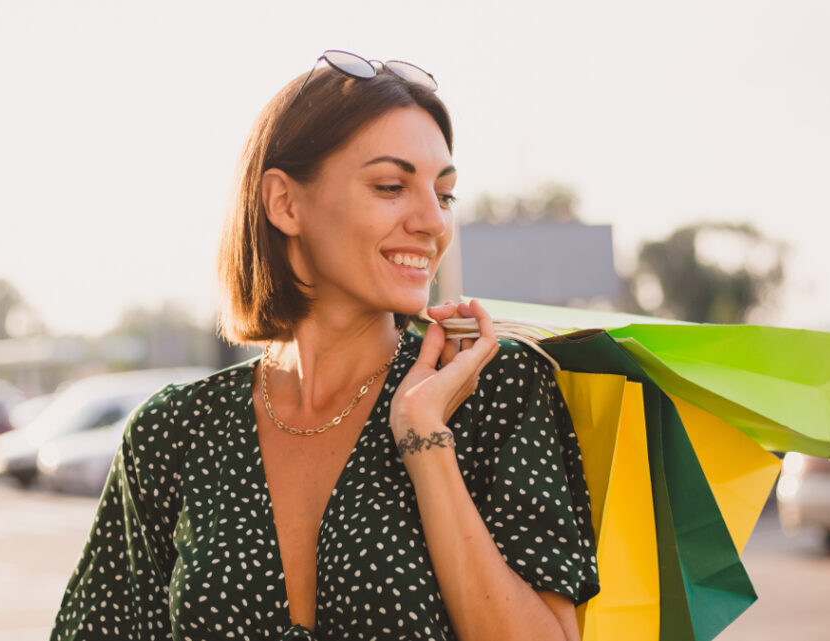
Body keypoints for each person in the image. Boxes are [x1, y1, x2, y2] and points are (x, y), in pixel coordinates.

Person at [51, 50, 598, 641]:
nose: (433, 222)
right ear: (285, 203)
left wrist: (424, 439)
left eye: (443, 195)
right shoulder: (173, 433)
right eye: (392, 186)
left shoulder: (491, 386)